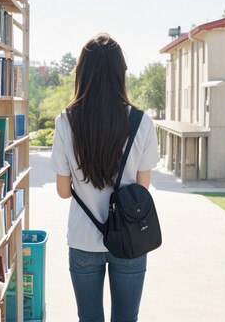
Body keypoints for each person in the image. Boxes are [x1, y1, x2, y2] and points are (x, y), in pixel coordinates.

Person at [51, 33, 159, 322]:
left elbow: (63, 191)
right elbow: (142, 187)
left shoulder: (66, 121)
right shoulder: (142, 121)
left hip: (83, 239)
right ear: (120, 73)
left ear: (81, 73)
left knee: (88, 318)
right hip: (129, 239)